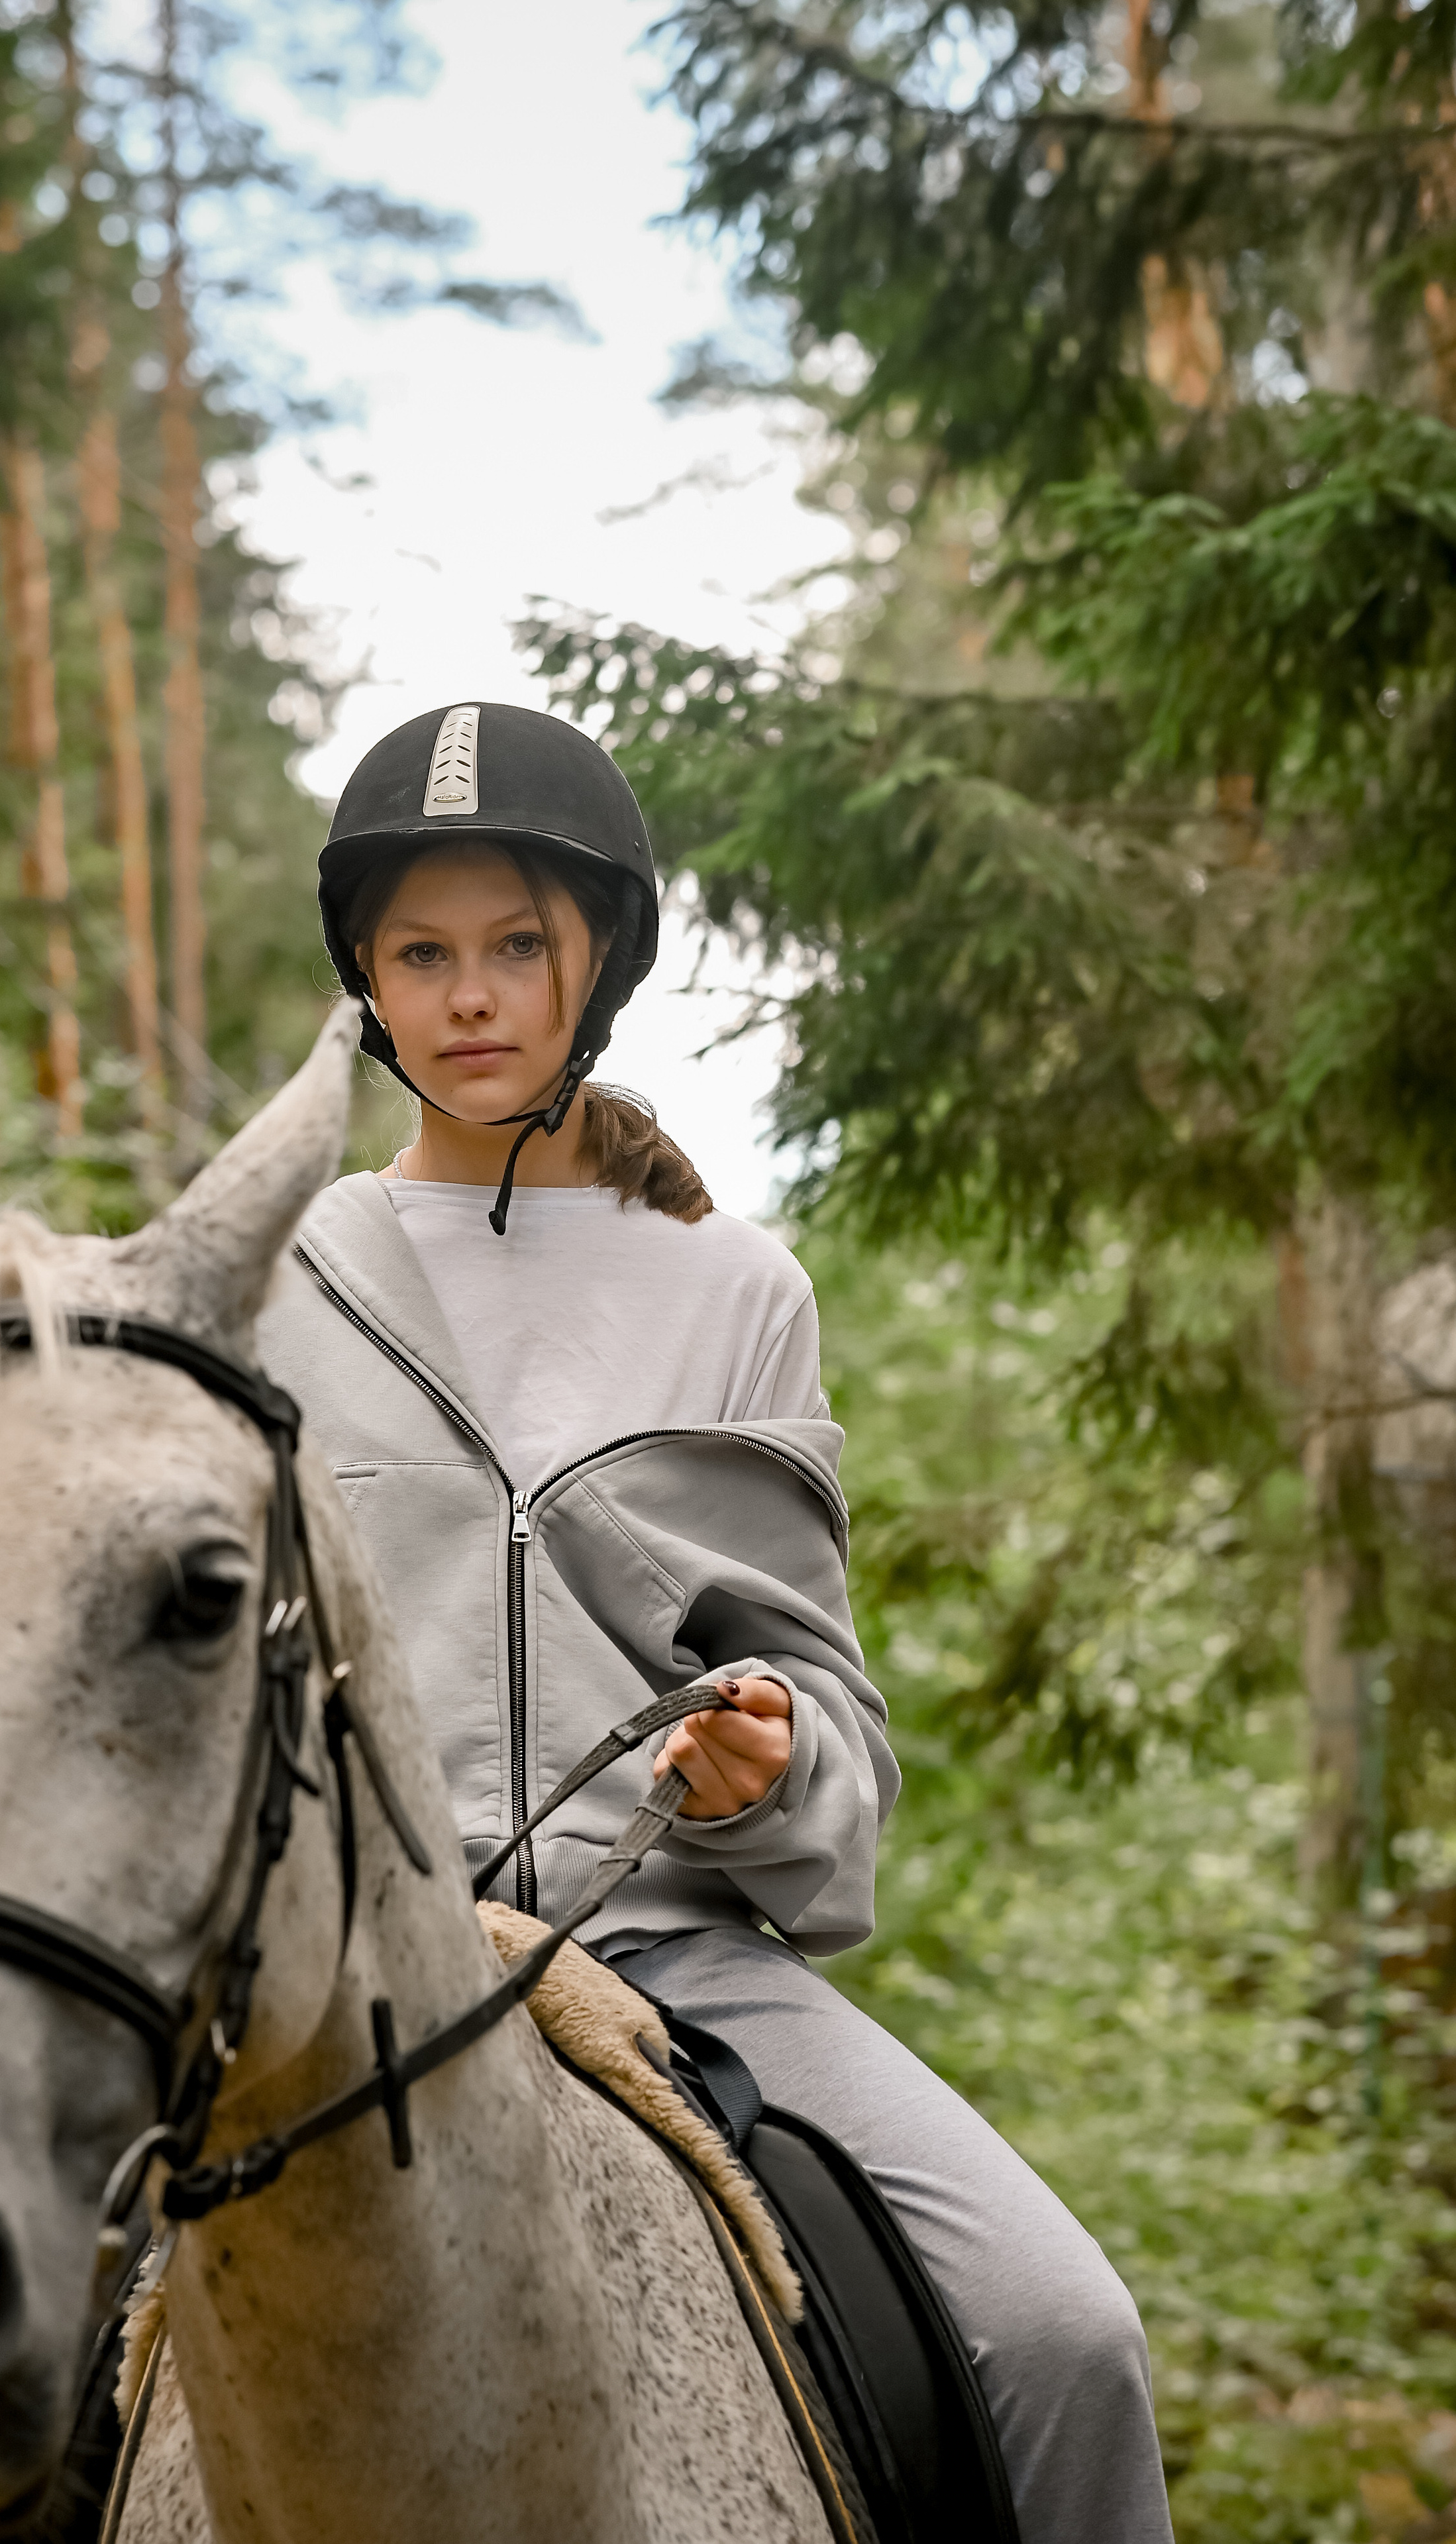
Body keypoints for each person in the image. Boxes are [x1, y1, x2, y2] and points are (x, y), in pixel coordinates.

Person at [256, 699, 1174, 2544]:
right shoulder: (278, 1275)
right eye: (422, 953)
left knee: (1073, 2337)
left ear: (599, 959)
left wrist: (764, 1775)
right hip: (332, 1970)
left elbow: (832, 1744)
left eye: (517, 944)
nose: (472, 994)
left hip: (677, 1951)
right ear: (365, 976)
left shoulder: (733, 1288)